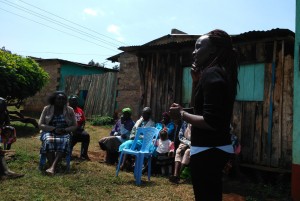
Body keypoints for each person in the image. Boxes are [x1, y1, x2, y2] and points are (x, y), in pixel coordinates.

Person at [169, 29, 239, 201]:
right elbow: (203, 110)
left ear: (213, 50)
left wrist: (181, 114)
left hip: (208, 150)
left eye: (198, 47)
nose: (194, 52)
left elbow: (210, 121)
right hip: (217, 148)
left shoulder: (212, 74)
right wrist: (195, 83)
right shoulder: (219, 73)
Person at [38, 91, 77, 175]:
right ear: (54, 99)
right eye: (59, 99)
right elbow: (40, 124)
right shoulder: (47, 108)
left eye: (63, 99)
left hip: (64, 132)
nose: (61, 101)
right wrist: (53, 129)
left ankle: (52, 167)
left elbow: (75, 125)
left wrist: (65, 130)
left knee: (65, 141)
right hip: (49, 131)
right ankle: (53, 167)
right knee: (48, 140)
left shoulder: (70, 110)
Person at [68, 95, 90, 160]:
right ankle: (67, 152)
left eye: (75, 100)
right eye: (73, 100)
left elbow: (83, 121)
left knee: (86, 135)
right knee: (72, 136)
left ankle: (84, 154)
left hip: (79, 129)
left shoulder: (80, 110)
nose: (74, 102)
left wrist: (82, 127)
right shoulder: (67, 110)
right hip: (70, 130)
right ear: (69, 102)